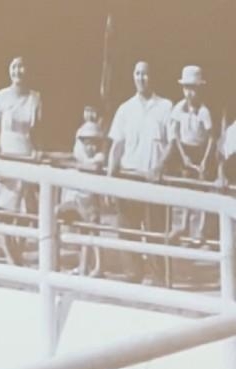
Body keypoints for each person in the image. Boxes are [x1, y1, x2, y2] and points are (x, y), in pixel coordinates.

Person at [107, 60, 173, 285]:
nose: (141, 78)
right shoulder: (125, 109)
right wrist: (109, 179)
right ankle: (133, 275)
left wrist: (159, 166)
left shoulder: (166, 107)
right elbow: (117, 145)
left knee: (156, 231)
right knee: (128, 229)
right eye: (137, 73)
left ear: (152, 77)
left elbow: (171, 144)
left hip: (154, 180)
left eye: (145, 74)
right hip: (128, 176)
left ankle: (159, 278)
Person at [0, 56, 43, 265]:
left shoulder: (35, 98)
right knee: (4, 211)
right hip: (5, 155)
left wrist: (38, 151)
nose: (18, 71)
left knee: (27, 211)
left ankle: (18, 254)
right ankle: (12, 260)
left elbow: (37, 133)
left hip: (25, 155)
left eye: (22, 66)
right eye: (14, 66)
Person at [167, 65, 214, 245]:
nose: (189, 93)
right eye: (186, 88)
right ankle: (179, 227)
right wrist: (183, 156)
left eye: (193, 89)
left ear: (199, 89)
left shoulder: (204, 112)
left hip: (200, 152)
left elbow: (211, 138)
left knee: (199, 192)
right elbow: (175, 134)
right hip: (183, 152)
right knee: (182, 190)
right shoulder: (179, 109)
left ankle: (198, 232)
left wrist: (204, 161)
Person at [58, 119, 107, 276]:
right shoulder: (78, 154)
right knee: (80, 231)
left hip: (90, 199)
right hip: (77, 198)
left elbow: (94, 166)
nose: (91, 147)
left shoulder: (99, 157)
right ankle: (81, 265)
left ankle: (91, 266)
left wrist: (76, 165)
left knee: (90, 231)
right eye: (87, 144)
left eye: (94, 144)